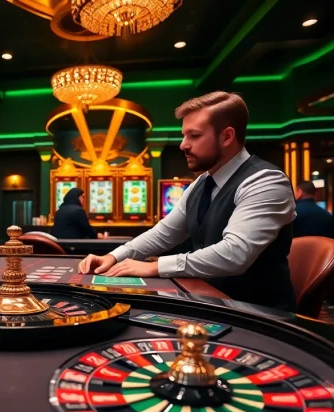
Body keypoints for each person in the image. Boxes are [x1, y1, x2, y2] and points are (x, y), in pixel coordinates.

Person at [78, 91, 297, 311]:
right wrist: (113, 256)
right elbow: (163, 233)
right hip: (211, 303)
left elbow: (235, 254)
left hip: (259, 316)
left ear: (227, 136)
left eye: (194, 135)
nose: (183, 144)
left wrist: (156, 267)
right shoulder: (202, 183)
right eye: (184, 135)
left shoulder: (266, 181)